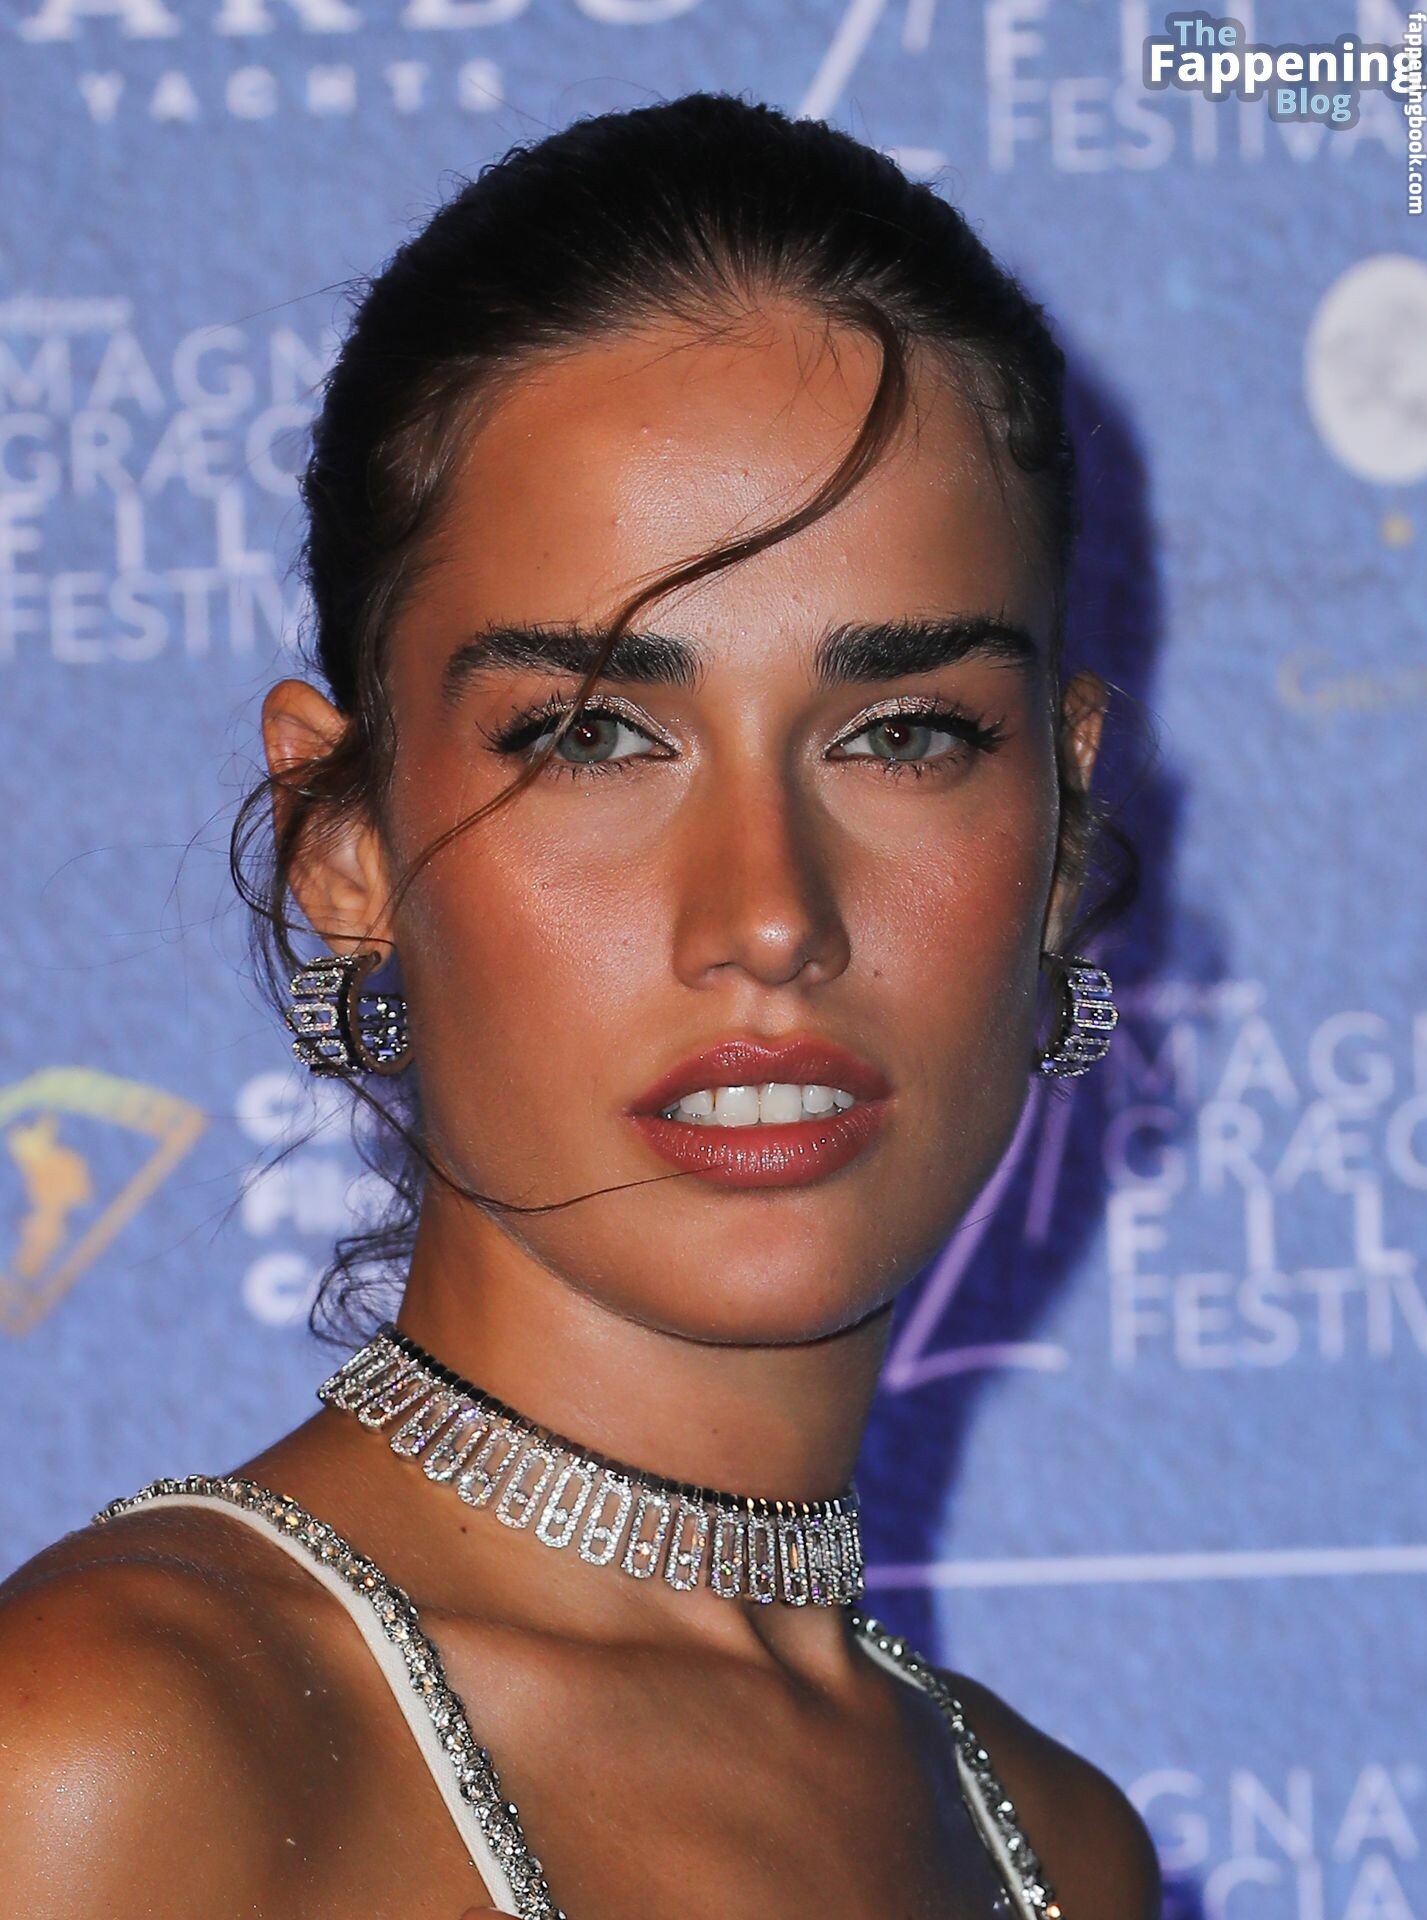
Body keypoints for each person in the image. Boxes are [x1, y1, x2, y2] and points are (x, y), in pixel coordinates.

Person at [0, 91, 1160, 1919]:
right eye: (595, 737)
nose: (769, 916)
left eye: (903, 734)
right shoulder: (110, 1758)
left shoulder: (1058, 1849)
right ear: (346, 844)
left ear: (1065, 825)